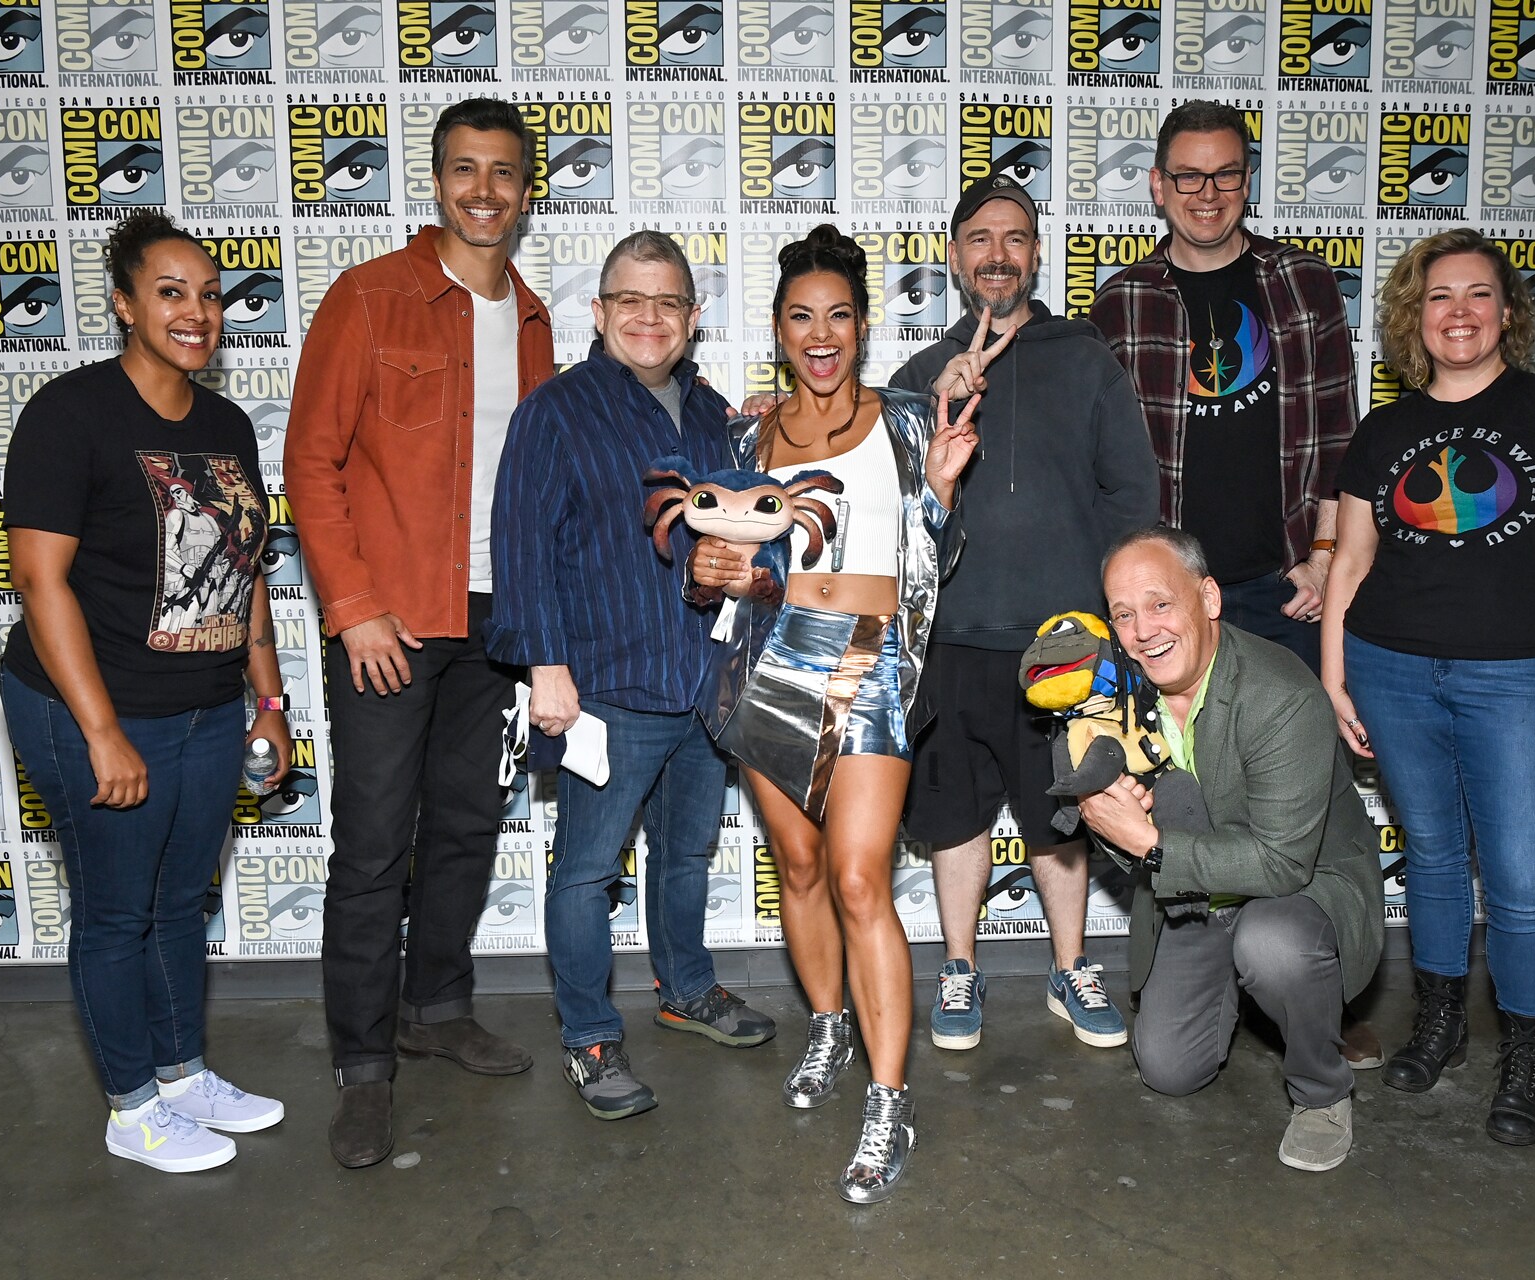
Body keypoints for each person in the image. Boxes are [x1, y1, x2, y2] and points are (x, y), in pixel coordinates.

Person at [285, 98, 552, 1169]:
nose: (483, 189)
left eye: (503, 172)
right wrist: (352, 608)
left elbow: (543, 486)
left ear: (527, 190)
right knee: (373, 844)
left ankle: (436, 1004)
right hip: (391, 622)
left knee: (466, 826)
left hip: (494, 624)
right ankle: (363, 1065)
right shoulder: (368, 298)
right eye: (463, 169)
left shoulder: (533, 319)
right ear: (435, 181)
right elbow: (311, 461)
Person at [1090, 97, 1382, 1069]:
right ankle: (1189, 976)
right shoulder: (1123, 297)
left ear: (1245, 180)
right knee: (1171, 785)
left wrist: (1331, 553)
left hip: (1275, 584)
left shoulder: (1301, 282)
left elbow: (1339, 430)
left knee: (1300, 795)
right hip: (1167, 602)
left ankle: (1313, 982)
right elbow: (1096, 449)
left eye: (1224, 175)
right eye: (1187, 177)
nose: (1206, 194)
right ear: (1158, 187)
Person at [689, 225, 977, 1203]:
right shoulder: (745, 439)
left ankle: (889, 1101)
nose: (822, 335)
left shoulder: (906, 421)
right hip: (769, 659)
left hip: (874, 661)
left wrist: (937, 488)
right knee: (800, 864)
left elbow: (932, 556)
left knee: (860, 877)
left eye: (839, 317)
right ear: (777, 328)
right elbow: (720, 568)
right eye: (802, 317)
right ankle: (828, 1025)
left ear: (862, 326)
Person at [0, 210, 288, 1173]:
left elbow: (244, 575)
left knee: (176, 904)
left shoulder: (226, 424)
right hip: (92, 707)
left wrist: (270, 702)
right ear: (125, 304)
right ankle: (131, 1106)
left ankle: (181, 1074)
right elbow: (41, 583)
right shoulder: (70, 414)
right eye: (171, 293)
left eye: (209, 295)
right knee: (117, 911)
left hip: (208, 707)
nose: (197, 312)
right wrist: (100, 733)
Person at [1320, 229, 1535, 1146]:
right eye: (1439, 296)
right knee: (1437, 861)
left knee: (1524, 881)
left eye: (1478, 294)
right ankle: (1441, 1024)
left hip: (1520, 679)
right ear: (1415, 316)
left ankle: (1527, 1054)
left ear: (1508, 311)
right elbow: (1353, 555)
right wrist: (1335, 666)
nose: (1459, 312)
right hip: (1391, 668)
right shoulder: (1385, 429)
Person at [486, 230, 776, 1124]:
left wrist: (767, 432)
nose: (649, 319)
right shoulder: (557, 409)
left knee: (685, 854)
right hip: (602, 687)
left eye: (668, 304)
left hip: (700, 682)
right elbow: (520, 545)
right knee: (584, 875)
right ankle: (589, 1037)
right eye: (630, 301)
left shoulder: (712, 413)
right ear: (602, 312)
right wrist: (547, 669)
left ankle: (687, 989)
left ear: (692, 319)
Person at [888, 174, 1158, 1055]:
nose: (997, 254)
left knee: (1062, 816)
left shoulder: (1086, 360)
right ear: (955, 256)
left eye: (1015, 237)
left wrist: (1116, 623)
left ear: (1036, 254)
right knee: (955, 816)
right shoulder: (918, 376)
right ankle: (959, 968)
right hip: (952, 643)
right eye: (979, 238)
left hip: (1065, 645)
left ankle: (1069, 965)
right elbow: (893, 514)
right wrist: (936, 404)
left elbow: (1133, 495)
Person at [1077, 527, 1382, 1173]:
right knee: (1167, 1070)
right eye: (1123, 614)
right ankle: (1291, 1004)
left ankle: (1322, 1091)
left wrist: (1149, 842)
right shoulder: (1117, 700)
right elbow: (1125, 843)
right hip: (1198, 895)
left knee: (1273, 946)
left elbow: (1281, 863)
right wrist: (1108, 818)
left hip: (1304, 885)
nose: (1143, 630)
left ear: (1208, 597)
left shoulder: (1280, 694)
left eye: (1160, 604)